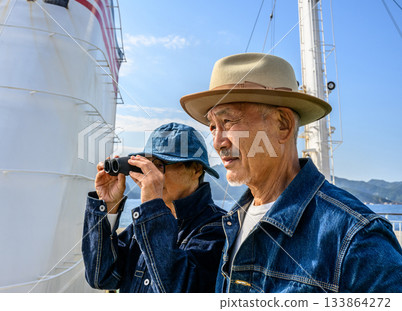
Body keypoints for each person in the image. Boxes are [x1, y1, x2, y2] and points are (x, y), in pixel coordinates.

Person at [180, 53, 402, 293]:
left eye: (228, 121)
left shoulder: (354, 238)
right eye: (213, 127)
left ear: (282, 124)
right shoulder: (234, 221)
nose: (217, 142)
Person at [81, 122, 226, 292]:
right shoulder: (142, 228)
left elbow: (177, 288)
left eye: (160, 166)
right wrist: (108, 208)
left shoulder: (220, 228)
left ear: (196, 169)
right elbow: (101, 278)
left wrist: (151, 208)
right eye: (148, 166)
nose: (152, 176)